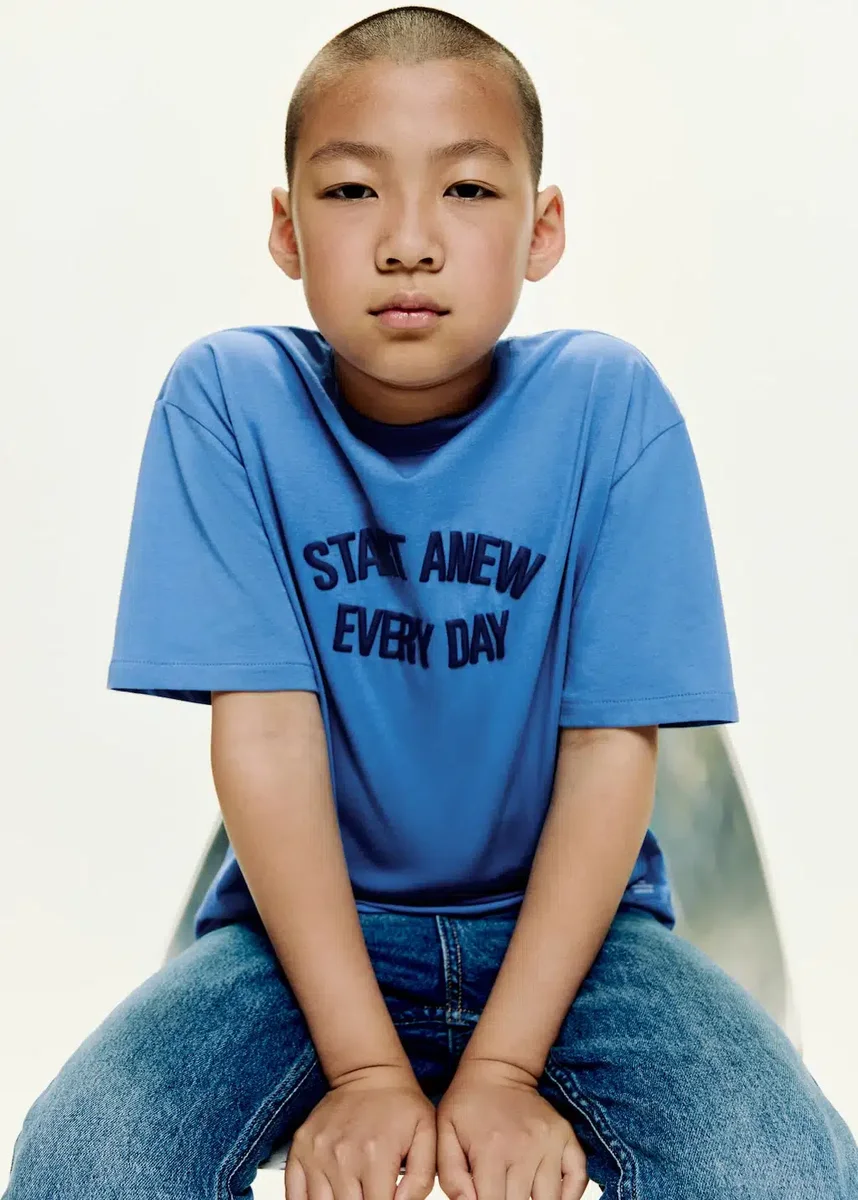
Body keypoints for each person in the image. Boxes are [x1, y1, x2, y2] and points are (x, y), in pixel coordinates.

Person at [5, 6, 857, 1199]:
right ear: (286, 228)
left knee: (786, 1169)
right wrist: (363, 1069)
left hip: (577, 939)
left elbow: (612, 752)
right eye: (353, 192)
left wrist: (505, 1066)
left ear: (542, 229)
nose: (409, 243)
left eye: (467, 190)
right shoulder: (231, 402)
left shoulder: (608, 408)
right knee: (82, 1160)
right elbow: (264, 737)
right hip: (301, 940)